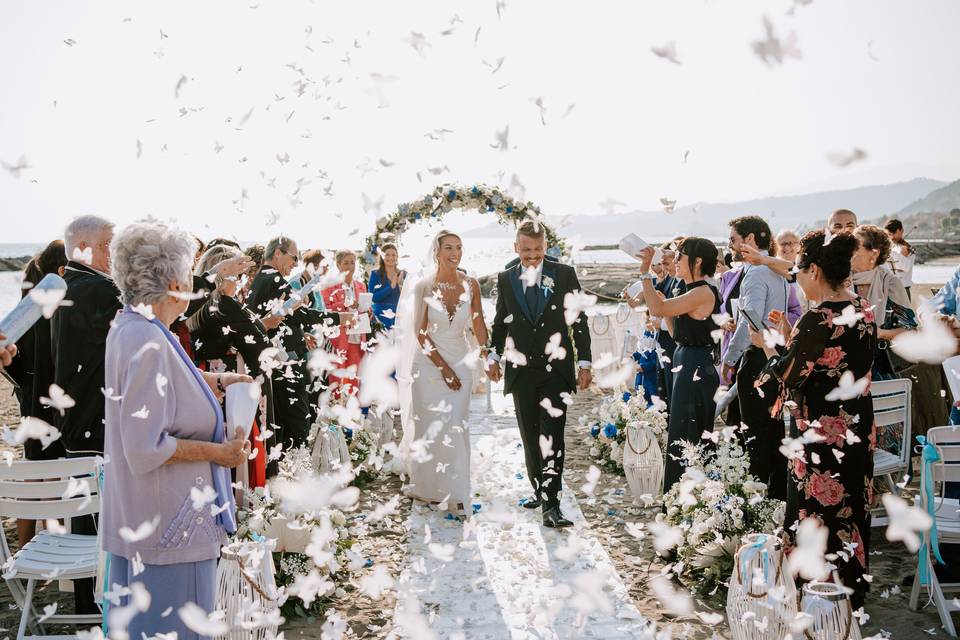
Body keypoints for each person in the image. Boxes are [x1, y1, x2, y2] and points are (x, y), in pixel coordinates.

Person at [102, 221, 251, 638]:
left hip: (154, 519)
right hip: (169, 525)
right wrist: (217, 453)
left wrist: (218, 382)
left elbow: (165, 381)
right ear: (174, 280)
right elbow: (144, 447)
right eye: (189, 271)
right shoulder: (145, 338)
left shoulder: (137, 326)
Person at [752, 229, 876, 609]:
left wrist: (770, 346)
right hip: (855, 425)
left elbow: (790, 376)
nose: (798, 279)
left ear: (816, 271)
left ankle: (815, 590)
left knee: (815, 505)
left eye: (800, 272)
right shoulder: (864, 310)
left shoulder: (817, 318)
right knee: (851, 503)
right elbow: (833, 361)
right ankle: (850, 587)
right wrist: (793, 338)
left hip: (820, 428)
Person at [488, 220, 592, 528]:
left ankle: (552, 504)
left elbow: (579, 320)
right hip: (521, 371)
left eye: (537, 250)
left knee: (552, 436)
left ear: (545, 247)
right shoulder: (506, 279)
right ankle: (538, 489)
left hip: (555, 371)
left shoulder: (564, 274)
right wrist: (493, 355)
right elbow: (501, 322)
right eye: (526, 251)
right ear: (515, 247)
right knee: (530, 437)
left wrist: (584, 361)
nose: (532, 256)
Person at [49, 214, 121, 613]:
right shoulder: (101, 289)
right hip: (99, 419)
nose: (113, 251)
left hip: (69, 419)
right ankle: (99, 607)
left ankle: (84, 606)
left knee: (82, 516)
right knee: (102, 521)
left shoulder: (60, 287)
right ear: (85, 246)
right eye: (108, 243)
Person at [397, 231, 488, 516]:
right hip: (427, 364)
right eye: (448, 247)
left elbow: (479, 324)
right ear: (436, 251)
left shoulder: (471, 284)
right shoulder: (424, 285)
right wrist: (443, 368)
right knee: (429, 427)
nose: (455, 252)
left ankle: (458, 492)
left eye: (459, 247)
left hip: (461, 361)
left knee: (456, 427)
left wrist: (490, 353)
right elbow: (420, 333)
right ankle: (427, 489)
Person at [636, 237, 721, 493]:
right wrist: (664, 309)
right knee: (680, 428)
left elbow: (658, 307)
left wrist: (645, 273)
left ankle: (689, 494)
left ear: (696, 261)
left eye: (680, 255)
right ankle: (678, 494)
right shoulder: (689, 291)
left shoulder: (702, 291)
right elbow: (674, 332)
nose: (676, 260)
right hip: (683, 358)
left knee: (689, 431)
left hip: (697, 365)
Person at [187, 243, 276, 483]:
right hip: (230, 382)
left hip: (211, 378)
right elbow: (259, 345)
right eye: (236, 276)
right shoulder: (223, 305)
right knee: (238, 441)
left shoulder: (202, 306)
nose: (239, 282)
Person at [246, 236, 342, 449]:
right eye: (294, 257)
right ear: (278, 253)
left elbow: (290, 319)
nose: (296, 263)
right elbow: (303, 315)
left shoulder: (262, 279)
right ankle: (299, 472)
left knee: (283, 423)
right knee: (298, 421)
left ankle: (288, 471)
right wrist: (340, 318)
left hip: (275, 361)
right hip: (286, 361)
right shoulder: (274, 279)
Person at [724, 216, 793, 500]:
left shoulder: (755, 273)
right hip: (775, 354)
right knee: (773, 429)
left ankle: (758, 496)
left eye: (732, 239)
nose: (730, 245)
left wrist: (730, 358)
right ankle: (777, 494)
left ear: (749, 239)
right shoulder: (777, 270)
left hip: (756, 358)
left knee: (754, 433)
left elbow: (748, 321)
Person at [5, 241, 69, 546]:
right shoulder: (50, 313)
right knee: (48, 478)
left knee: (36, 476)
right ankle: (47, 543)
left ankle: (24, 547)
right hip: (46, 401)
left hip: (29, 400)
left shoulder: (29, 305)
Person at [322, 250, 371, 398]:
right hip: (339, 338)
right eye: (346, 262)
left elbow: (366, 308)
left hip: (357, 336)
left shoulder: (361, 285)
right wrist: (344, 304)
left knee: (354, 376)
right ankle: (336, 414)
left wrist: (368, 312)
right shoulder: (329, 286)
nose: (350, 265)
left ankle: (352, 412)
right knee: (338, 377)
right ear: (337, 264)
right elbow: (325, 310)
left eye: (352, 262)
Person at [368, 243, 405, 329]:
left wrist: (399, 286)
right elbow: (373, 297)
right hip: (380, 318)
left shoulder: (403, 274)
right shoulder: (375, 274)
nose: (391, 257)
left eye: (394, 255)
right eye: (387, 255)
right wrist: (390, 287)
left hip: (398, 316)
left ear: (397, 257)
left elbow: (409, 296)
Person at [776, 229, 807, 318]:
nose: (787, 247)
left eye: (791, 243)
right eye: (783, 244)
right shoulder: (773, 269)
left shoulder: (806, 268)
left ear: (799, 246)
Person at [884, 219, 916, 300]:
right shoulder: (894, 247)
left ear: (901, 231)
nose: (892, 237)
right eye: (889, 234)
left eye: (894, 234)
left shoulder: (905, 248)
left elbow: (900, 267)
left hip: (903, 288)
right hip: (891, 287)